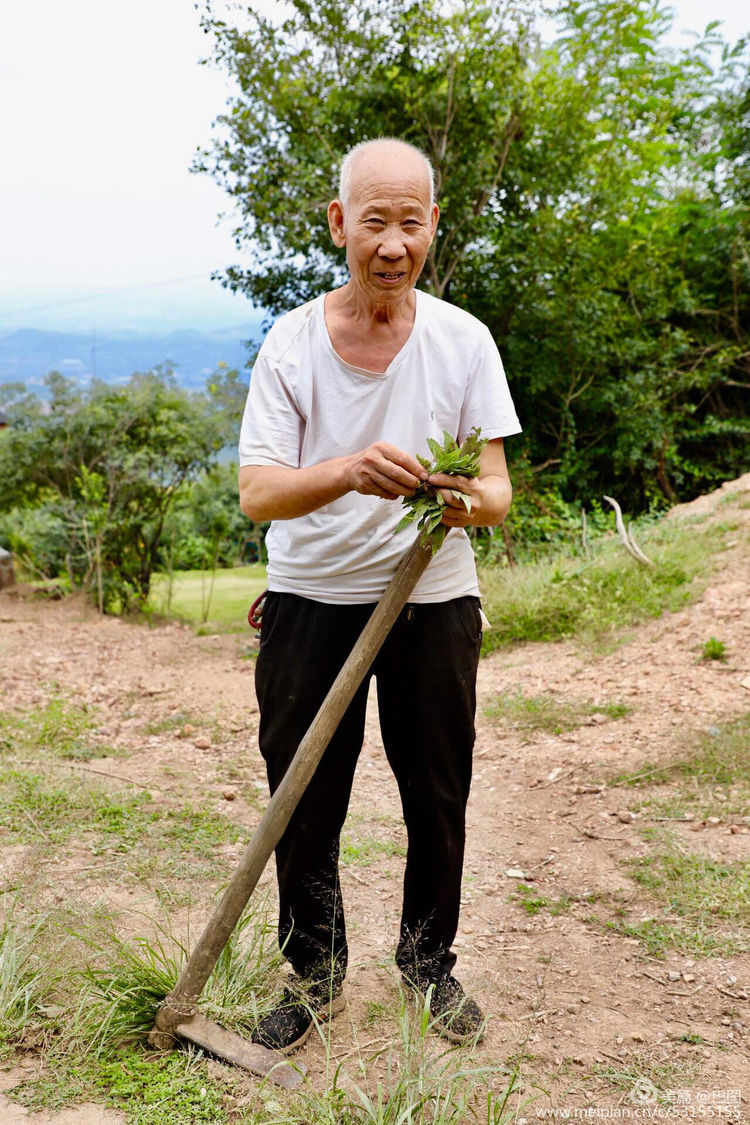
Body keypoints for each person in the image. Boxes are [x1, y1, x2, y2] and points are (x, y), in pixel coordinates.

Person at [238, 137, 521, 1053]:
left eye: (411, 223)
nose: (392, 243)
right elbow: (259, 491)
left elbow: (497, 489)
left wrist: (459, 503)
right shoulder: (289, 344)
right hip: (311, 596)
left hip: (431, 597)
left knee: (437, 787)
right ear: (339, 225)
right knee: (304, 789)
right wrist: (349, 472)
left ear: (432, 226)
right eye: (374, 222)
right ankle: (314, 972)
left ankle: (429, 964)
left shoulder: (464, 340)